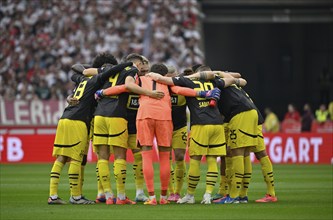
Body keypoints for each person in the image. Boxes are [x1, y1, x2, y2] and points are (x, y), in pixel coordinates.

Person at [146, 68, 246, 204]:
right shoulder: (214, 82)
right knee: (212, 160)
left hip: (200, 124)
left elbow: (162, 79)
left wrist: (149, 74)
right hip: (217, 124)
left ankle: (190, 195)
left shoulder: (186, 81)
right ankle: (208, 195)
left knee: (195, 160)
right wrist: (221, 75)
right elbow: (237, 80)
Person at [48, 55, 132, 205]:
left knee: (61, 157)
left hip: (65, 117)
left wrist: (69, 96)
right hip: (80, 120)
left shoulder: (82, 79)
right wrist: (128, 64)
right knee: (77, 158)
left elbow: (74, 72)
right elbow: (109, 72)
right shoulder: (98, 80)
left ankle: (53, 195)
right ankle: (76, 196)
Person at [85, 53, 164, 205]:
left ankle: (108, 195)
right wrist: (151, 93)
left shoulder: (111, 71)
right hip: (118, 117)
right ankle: (120, 196)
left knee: (103, 157)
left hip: (101, 115)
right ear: (137, 64)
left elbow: (87, 72)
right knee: (119, 157)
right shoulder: (131, 73)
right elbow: (128, 85)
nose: (143, 71)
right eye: (142, 67)